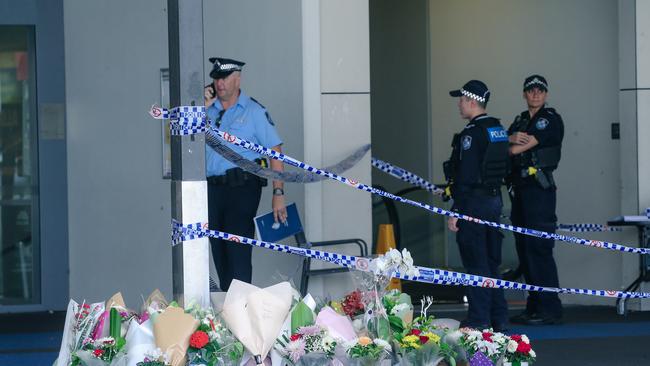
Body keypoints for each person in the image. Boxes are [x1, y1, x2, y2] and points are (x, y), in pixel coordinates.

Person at [203, 57, 287, 291]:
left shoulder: (253, 111)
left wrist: (278, 191)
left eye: (225, 78)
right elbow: (181, 139)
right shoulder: (207, 111)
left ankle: (241, 307)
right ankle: (228, 308)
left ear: (237, 79)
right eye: (216, 78)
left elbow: (275, 151)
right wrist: (200, 107)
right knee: (219, 252)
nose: (219, 83)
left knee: (237, 251)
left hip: (242, 189)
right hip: (212, 189)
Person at [444, 80, 510, 331]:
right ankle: (499, 317)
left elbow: (468, 174)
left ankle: (479, 320)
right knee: (492, 262)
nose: (459, 104)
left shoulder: (471, 133)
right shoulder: (498, 128)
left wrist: (457, 210)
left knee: (476, 263)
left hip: (474, 203)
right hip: (494, 201)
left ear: (472, 101)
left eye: (461, 99)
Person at [507, 75, 564, 325]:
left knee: (540, 249)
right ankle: (534, 306)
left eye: (540, 90)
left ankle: (549, 308)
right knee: (525, 249)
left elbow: (518, 148)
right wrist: (509, 140)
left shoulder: (549, 119)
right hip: (520, 190)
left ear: (546, 94)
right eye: (531, 90)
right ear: (524, 94)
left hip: (539, 191)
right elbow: (505, 145)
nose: (536, 94)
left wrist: (511, 144)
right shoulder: (520, 120)